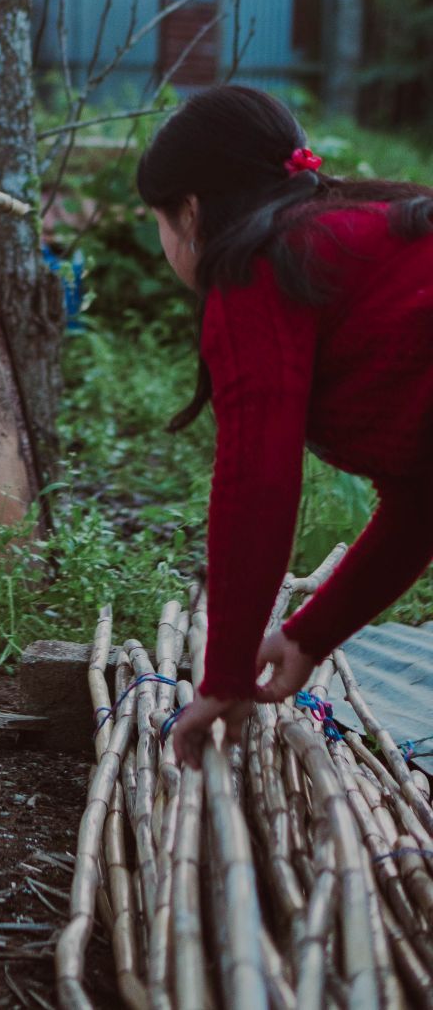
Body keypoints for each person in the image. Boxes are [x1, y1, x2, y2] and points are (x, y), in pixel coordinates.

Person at [136, 85, 433, 769]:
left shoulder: (259, 270)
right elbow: (421, 502)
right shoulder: (359, 235)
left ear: (190, 212)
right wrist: (308, 636)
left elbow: (257, 481)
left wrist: (225, 673)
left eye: (158, 221)